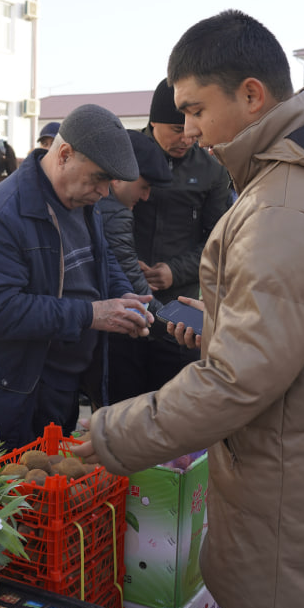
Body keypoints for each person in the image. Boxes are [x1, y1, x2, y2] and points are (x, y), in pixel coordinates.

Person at [77, 10, 304, 608]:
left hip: (292, 507)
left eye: (196, 110)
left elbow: (238, 379)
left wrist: (109, 433)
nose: (190, 129)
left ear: (251, 96)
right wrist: (225, 318)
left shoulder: (289, 202)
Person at [0, 104, 151, 449]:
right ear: (64, 155)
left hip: (63, 386)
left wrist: (124, 297)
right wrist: (92, 314)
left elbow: (102, 257)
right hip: (15, 393)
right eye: (99, 178)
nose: (105, 192)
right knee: (16, 498)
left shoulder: (83, 199)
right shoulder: (1, 215)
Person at [114, 79, 233, 393]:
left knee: (172, 403)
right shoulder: (125, 156)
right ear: (153, 121)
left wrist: (175, 271)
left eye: (189, 127)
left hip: (178, 307)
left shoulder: (212, 170)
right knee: (121, 401)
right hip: (124, 303)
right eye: (174, 129)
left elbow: (217, 242)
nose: (185, 138)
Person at [95, 129, 173, 404]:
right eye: (144, 186)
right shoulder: (114, 212)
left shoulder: (103, 207)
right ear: (119, 177)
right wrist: (174, 325)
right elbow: (132, 286)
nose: (146, 197)